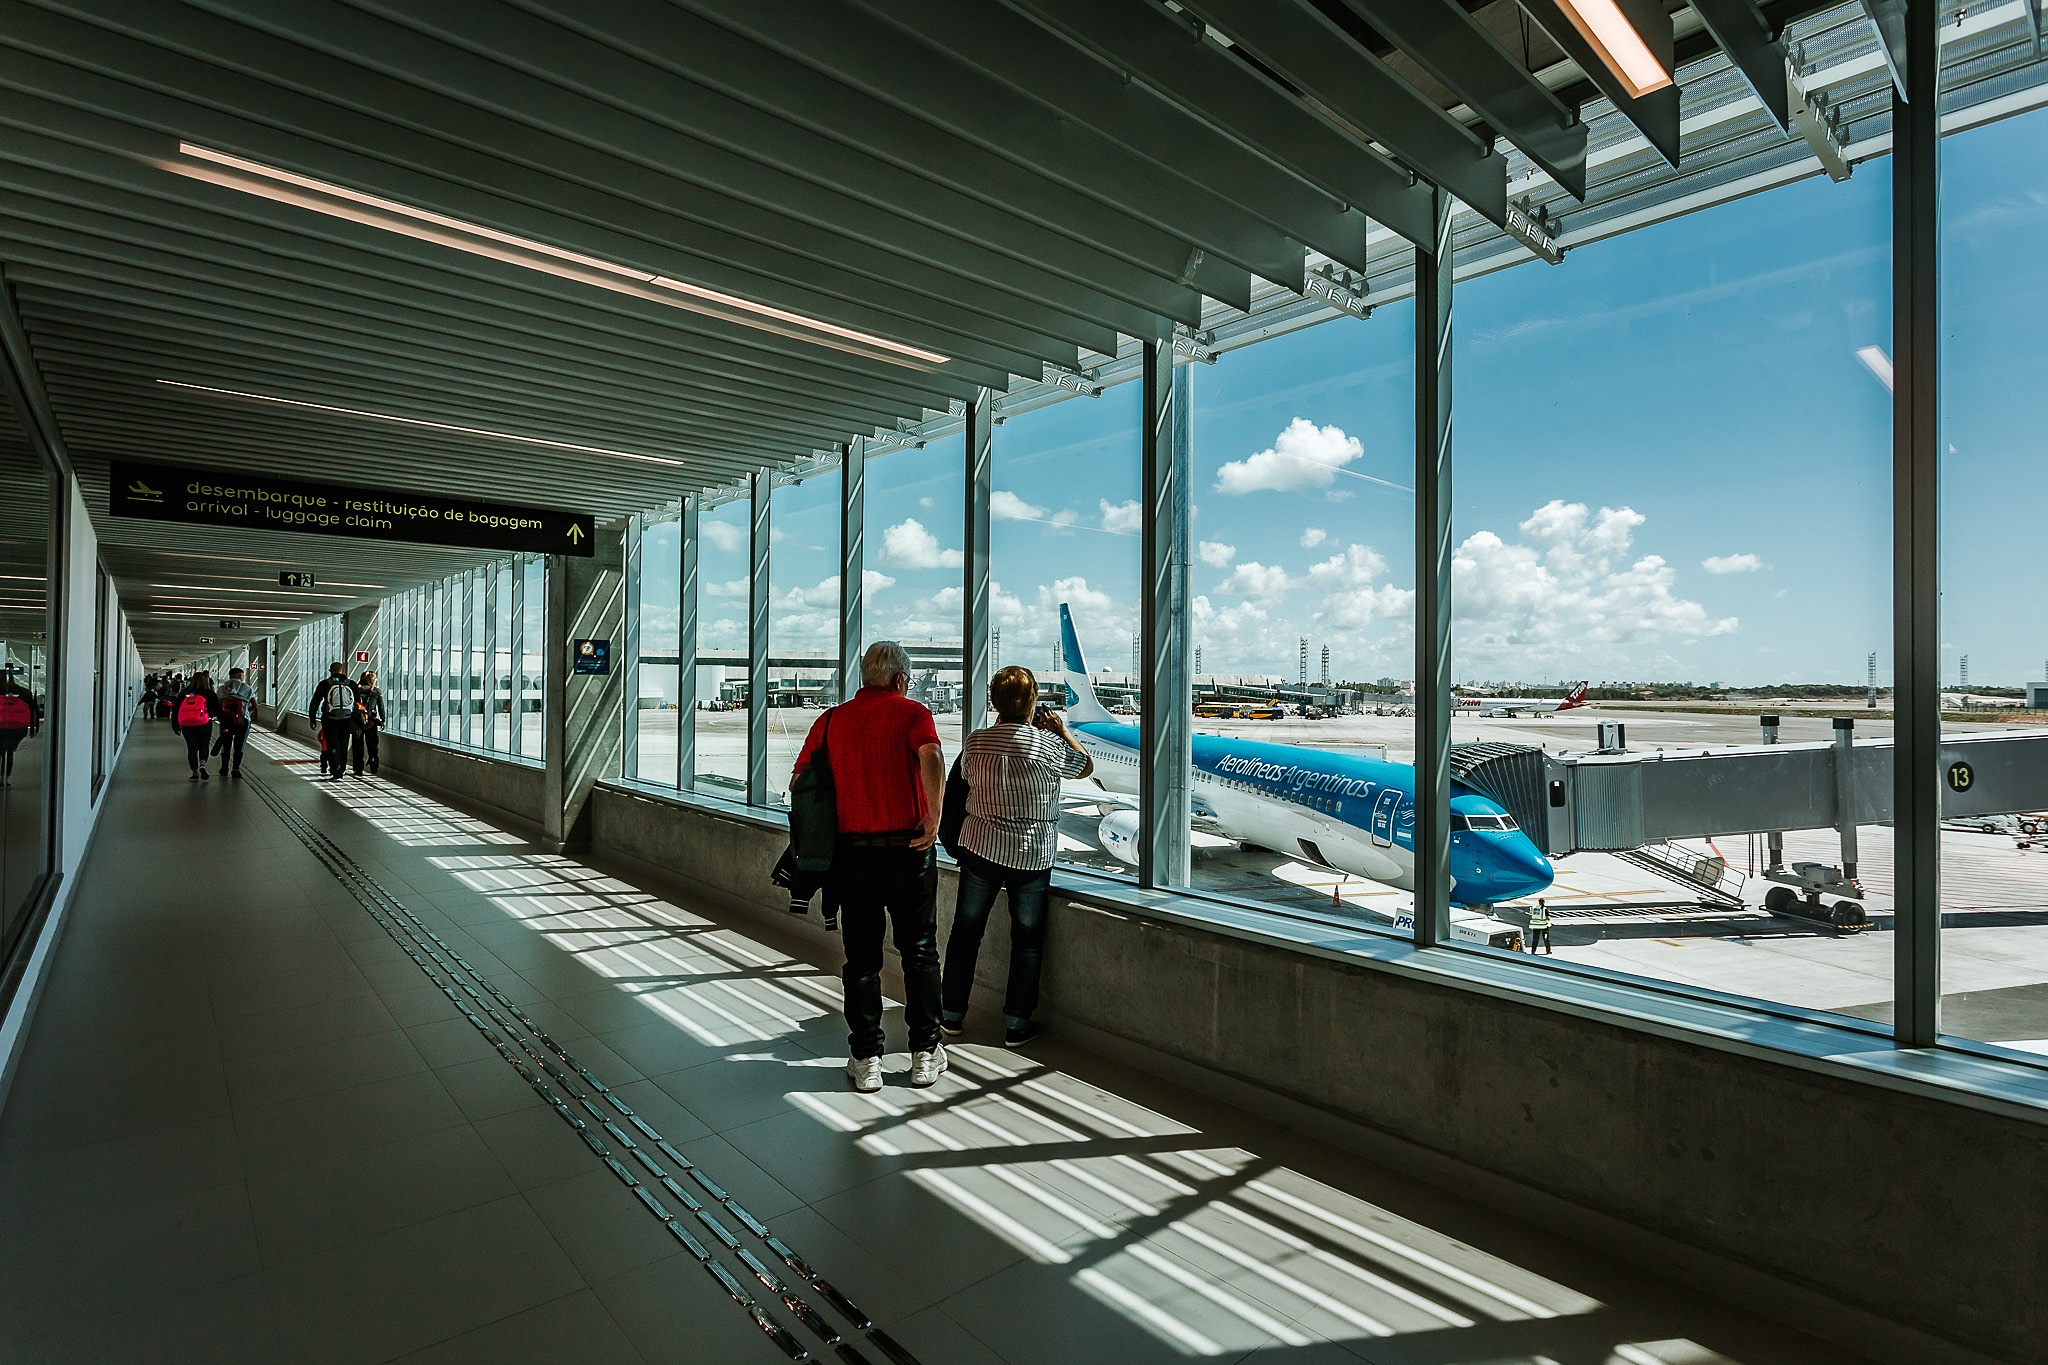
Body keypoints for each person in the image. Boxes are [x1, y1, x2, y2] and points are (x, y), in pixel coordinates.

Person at [790, 641, 946, 1093]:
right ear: (900, 679)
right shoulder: (912, 714)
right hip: (908, 851)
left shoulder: (831, 719)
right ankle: (924, 1053)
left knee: (861, 959)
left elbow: (801, 780)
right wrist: (933, 818)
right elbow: (932, 757)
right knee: (919, 951)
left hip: (852, 855)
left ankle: (866, 1058)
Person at [940, 667, 1092, 1048]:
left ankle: (952, 1015)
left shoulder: (975, 743)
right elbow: (1085, 767)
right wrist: (1061, 731)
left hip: (980, 847)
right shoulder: (1047, 746)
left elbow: (966, 782)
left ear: (993, 701)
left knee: (965, 933)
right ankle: (1015, 1022)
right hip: (1030, 854)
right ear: (1033, 701)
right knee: (1026, 940)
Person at [308, 662, 358, 780]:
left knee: (332, 744)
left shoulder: (325, 684)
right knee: (344, 744)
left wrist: (312, 718)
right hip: (347, 719)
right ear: (343, 671)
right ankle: (342, 769)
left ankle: (335, 771)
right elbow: (358, 704)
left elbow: (315, 701)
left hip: (330, 719)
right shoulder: (351, 684)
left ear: (330, 671)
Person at [212, 667, 257, 779]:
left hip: (225, 721)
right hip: (242, 721)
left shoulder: (221, 689)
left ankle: (224, 768)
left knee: (225, 744)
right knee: (239, 745)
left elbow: (217, 706)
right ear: (240, 676)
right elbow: (255, 706)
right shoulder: (247, 688)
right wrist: (245, 714)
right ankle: (235, 769)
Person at [175, 671, 219, 781]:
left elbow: (176, 710)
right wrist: (224, 724)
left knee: (192, 748)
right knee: (204, 745)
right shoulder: (209, 693)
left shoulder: (184, 693)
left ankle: (194, 773)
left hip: (187, 724)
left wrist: (175, 725)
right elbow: (218, 710)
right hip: (204, 723)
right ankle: (202, 765)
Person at [0, 673, 39, 787]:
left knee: (1, 752)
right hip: (17, 728)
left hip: (0, 727)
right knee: (9, 752)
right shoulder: (24, 692)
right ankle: (5, 778)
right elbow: (34, 709)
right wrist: (33, 727)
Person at [350, 670, 385, 776]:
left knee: (357, 745)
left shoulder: (355, 690)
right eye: (375, 677)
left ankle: (358, 768)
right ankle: (373, 763)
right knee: (372, 744)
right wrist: (382, 719)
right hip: (371, 721)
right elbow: (381, 707)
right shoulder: (376, 691)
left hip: (357, 721)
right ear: (371, 679)